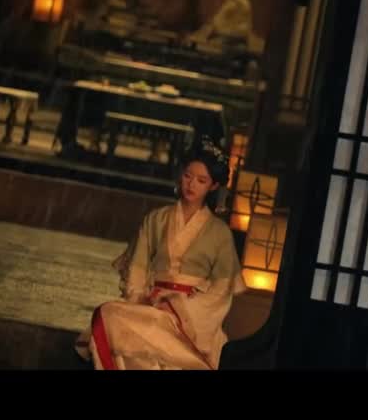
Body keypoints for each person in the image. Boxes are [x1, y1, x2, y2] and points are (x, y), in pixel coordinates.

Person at [76, 137, 246, 370]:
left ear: (213, 186)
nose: (191, 185)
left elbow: (221, 292)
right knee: (108, 313)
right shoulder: (156, 219)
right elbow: (137, 268)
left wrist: (180, 308)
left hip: (193, 318)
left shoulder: (220, 233)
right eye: (187, 176)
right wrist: (142, 300)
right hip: (152, 306)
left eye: (201, 180)